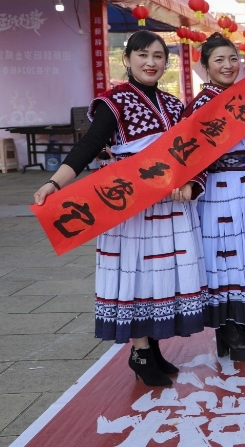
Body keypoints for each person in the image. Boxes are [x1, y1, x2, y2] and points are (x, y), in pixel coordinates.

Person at [33, 31, 208, 387]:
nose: (151, 62)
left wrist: (190, 182)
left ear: (166, 62)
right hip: (131, 207)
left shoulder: (175, 105)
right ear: (127, 60)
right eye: (142, 55)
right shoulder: (114, 102)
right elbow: (89, 145)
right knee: (136, 274)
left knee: (160, 275)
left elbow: (193, 151)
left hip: (170, 206)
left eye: (158, 56)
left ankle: (152, 344)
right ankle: (140, 351)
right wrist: (55, 183)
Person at [182, 33, 245, 361]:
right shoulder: (200, 105)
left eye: (232, 59)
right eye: (219, 60)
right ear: (205, 66)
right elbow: (188, 151)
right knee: (224, 254)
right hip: (218, 188)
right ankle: (227, 326)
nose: (228, 65)